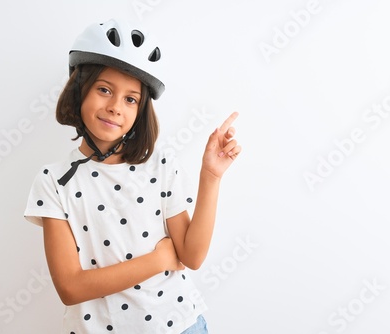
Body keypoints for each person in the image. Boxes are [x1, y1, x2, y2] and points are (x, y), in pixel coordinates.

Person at [24, 18, 241, 334]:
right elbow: (70, 287)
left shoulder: (160, 165)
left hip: (180, 326)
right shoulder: (55, 182)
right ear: (78, 92)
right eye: (104, 90)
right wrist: (158, 260)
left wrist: (210, 176)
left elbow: (191, 257)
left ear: (140, 110)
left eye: (130, 99)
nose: (115, 107)